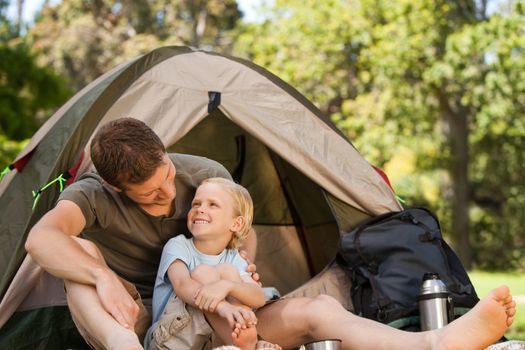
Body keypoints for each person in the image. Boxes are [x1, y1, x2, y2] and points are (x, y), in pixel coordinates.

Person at [25, 118, 516, 350]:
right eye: (152, 194)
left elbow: (244, 237)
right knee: (78, 254)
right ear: (114, 186)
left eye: (169, 176)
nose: (172, 197)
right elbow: (41, 240)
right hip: (147, 325)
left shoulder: (205, 174)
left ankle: (436, 344)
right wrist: (103, 277)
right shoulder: (92, 194)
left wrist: (239, 271)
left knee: (319, 309)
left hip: (227, 319)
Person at [145, 177, 280, 350]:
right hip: (169, 341)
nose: (200, 209)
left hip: (212, 341)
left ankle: (245, 344)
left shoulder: (234, 258)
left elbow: (258, 297)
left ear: (235, 223)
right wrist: (223, 308)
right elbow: (182, 284)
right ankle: (250, 345)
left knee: (228, 273)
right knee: (204, 273)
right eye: (196, 203)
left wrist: (227, 286)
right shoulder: (178, 246)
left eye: (212, 205)